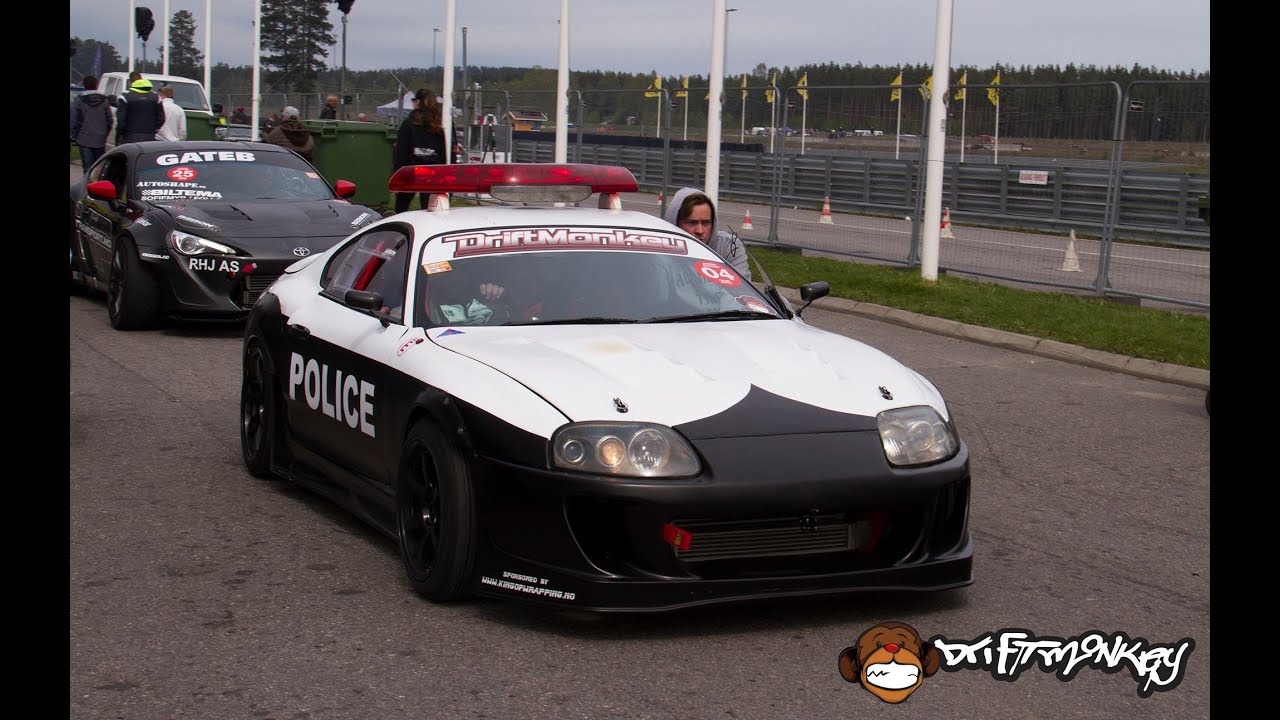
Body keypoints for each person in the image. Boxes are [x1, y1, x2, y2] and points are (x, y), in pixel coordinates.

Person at [662, 187, 753, 280]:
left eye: (706, 223)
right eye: (692, 223)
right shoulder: (659, 250)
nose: (700, 230)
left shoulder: (728, 246)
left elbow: (742, 286)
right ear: (675, 223)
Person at [391, 88, 448, 213]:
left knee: (401, 208)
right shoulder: (437, 125)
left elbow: (401, 153)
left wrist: (396, 177)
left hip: (411, 171)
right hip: (432, 172)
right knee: (430, 210)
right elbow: (443, 154)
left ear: (417, 102)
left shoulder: (409, 124)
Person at [72, 75, 113, 169]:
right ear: (96, 85)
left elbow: (74, 119)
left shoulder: (79, 100)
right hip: (100, 139)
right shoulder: (104, 100)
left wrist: (74, 135)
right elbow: (109, 120)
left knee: (88, 168)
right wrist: (105, 133)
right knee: (99, 168)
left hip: (84, 138)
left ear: (84, 85)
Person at [115, 77, 164, 145]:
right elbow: (161, 118)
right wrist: (154, 129)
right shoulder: (156, 97)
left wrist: (121, 133)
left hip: (130, 135)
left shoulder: (125, 96)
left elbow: (121, 119)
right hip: (149, 135)